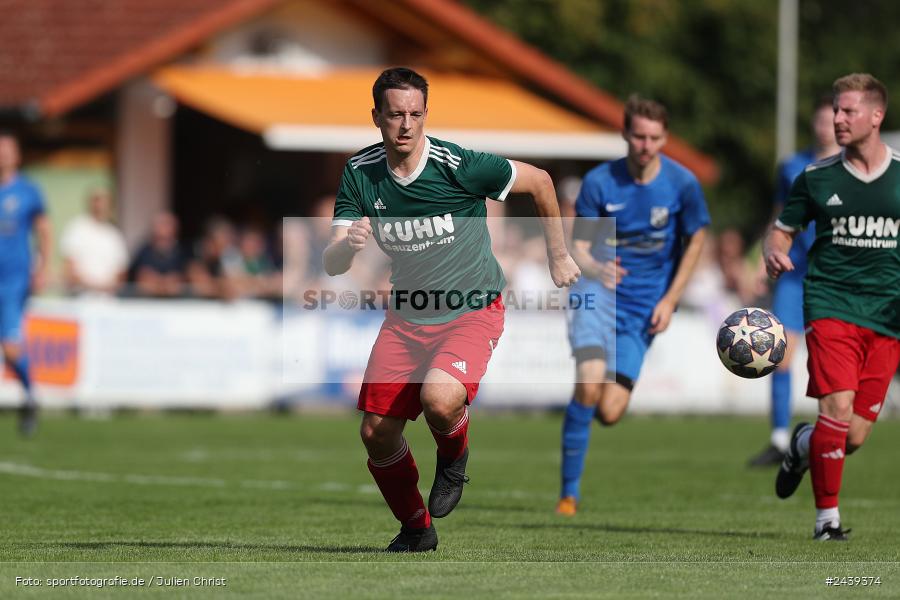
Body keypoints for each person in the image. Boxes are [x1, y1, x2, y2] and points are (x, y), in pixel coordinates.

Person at [323, 67, 579, 552]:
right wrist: (347, 247)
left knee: (440, 399)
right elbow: (333, 261)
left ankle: (453, 456)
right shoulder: (360, 173)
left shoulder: (458, 164)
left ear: (425, 115)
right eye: (395, 114)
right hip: (406, 318)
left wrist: (558, 254)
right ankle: (417, 530)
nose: (406, 124)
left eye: (415, 113)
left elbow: (542, 181)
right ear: (376, 116)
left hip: (471, 308)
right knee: (376, 432)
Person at [557, 95, 710, 516]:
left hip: (645, 306)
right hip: (596, 296)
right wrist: (594, 267)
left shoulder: (682, 185)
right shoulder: (600, 183)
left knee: (609, 410)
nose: (645, 145)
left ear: (665, 138)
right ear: (625, 134)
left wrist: (671, 299)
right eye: (639, 136)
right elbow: (580, 246)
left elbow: (696, 238)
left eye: (654, 138)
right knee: (588, 383)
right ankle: (568, 494)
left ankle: (579, 459)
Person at [765, 73, 900, 541]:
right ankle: (827, 522)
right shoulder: (816, 177)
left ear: (876, 116)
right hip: (829, 305)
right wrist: (773, 250)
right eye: (836, 111)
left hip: (886, 318)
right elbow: (783, 228)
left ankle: (801, 446)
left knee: (853, 436)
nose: (837, 120)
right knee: (837, 408)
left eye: (848, 111)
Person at [748, 94, 839, 467]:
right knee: (780, 356)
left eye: (830, 121)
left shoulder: (852, 169)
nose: (825, 128)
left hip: (833, 275)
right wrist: (761, 260)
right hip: (792, 273)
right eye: (819, 121)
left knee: (829, 360)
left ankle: (825, 436)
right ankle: (780, 438)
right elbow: (779, 216)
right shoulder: (792, 167)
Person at [0, 131, 52, 436]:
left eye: (7, 150)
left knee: (10, 347)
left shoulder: (28, 191)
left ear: (17, 156)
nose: (2, 155)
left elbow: (44, 230)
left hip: (13, 281)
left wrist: (42, 267)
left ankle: (30, 397)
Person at [60, 188, 128, 296]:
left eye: (104, 201)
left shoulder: (114, 236)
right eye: (97, 200)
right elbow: (69, 267)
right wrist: (92, 285)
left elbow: (121, 274)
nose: (100, 205)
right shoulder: (76, 228)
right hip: (80, 298)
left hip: (108, 301)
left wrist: (104, 287)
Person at [128, 211, 188, 297]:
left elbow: (187, 276)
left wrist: (173, 281)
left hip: (177, 304)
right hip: (147, 303)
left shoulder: (183, 251)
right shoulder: (143, 251)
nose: (163, 229)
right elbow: (140, 276)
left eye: (167, 225)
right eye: (161, 225)